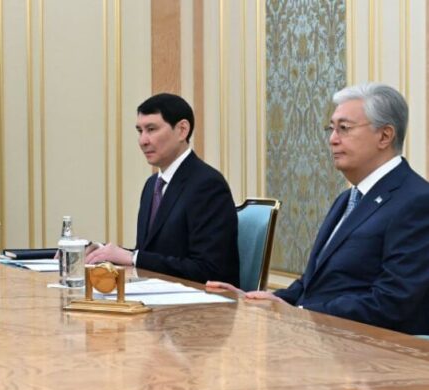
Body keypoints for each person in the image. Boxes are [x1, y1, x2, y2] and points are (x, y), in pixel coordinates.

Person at [208, 83, 429, 335]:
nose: (332, 139)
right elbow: (313, 282)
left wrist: (301, 313)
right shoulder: (348, 198)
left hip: (370, 348)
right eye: (331, 128)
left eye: (344, 128)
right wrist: (262, 300)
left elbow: (392, 302)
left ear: (385, 136)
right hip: (322, 336)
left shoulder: (417, 201)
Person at [86, 93, 239, 285]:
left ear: (182, 130)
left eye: (151, 129)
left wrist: (133, 257)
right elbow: (152, 255)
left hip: (197, 301)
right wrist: (103, 253)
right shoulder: (152, 185)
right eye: (139, 131)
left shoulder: (208, 185)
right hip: (154, 295)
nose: (143, 141)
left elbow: (209, 270)